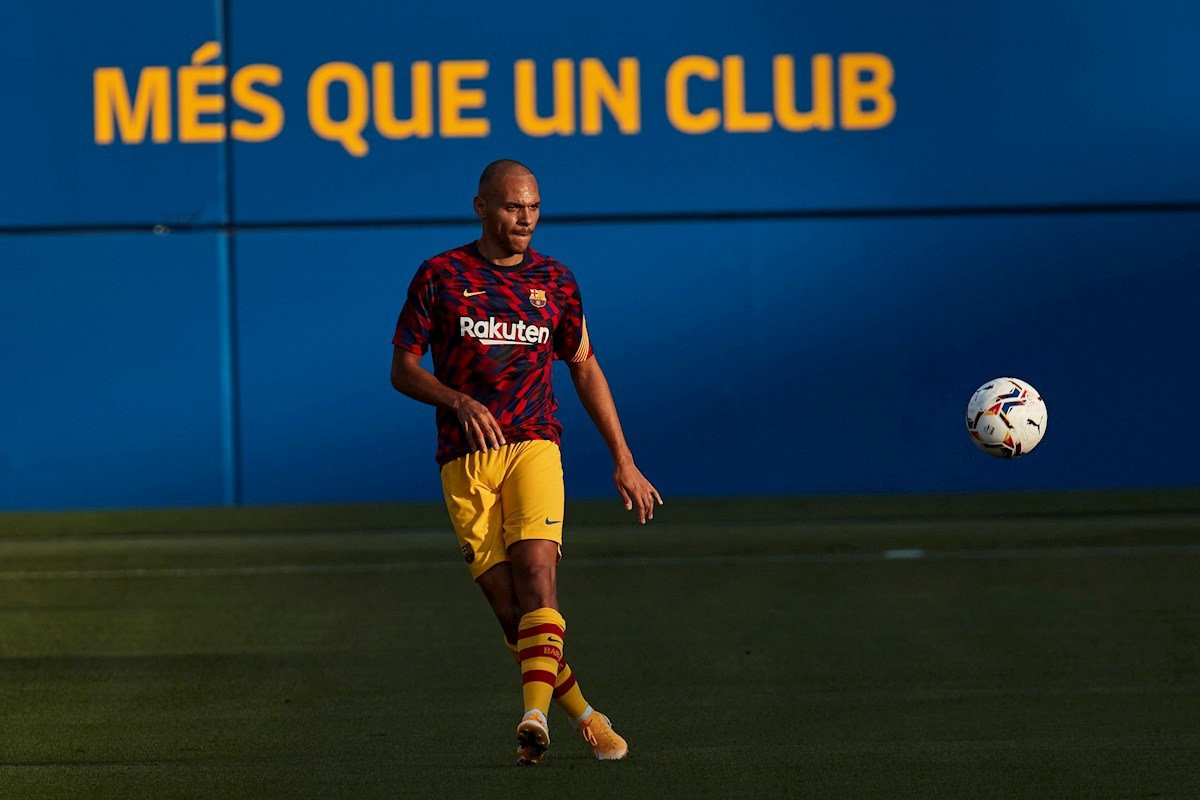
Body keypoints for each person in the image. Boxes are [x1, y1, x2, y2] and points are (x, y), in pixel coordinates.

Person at [389, 159, 662, 766]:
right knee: (512, 614)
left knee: (539, 575)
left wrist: (624, 458)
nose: (526, 218)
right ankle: (587, 717)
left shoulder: (556, 280)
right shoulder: (440, 275)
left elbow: (584, 365)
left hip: (535, 444)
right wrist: (457, 400)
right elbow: (402, 370)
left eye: (534, 207)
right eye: (514, 207)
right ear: (481, 206)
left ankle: (532, 715)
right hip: (465, 460)